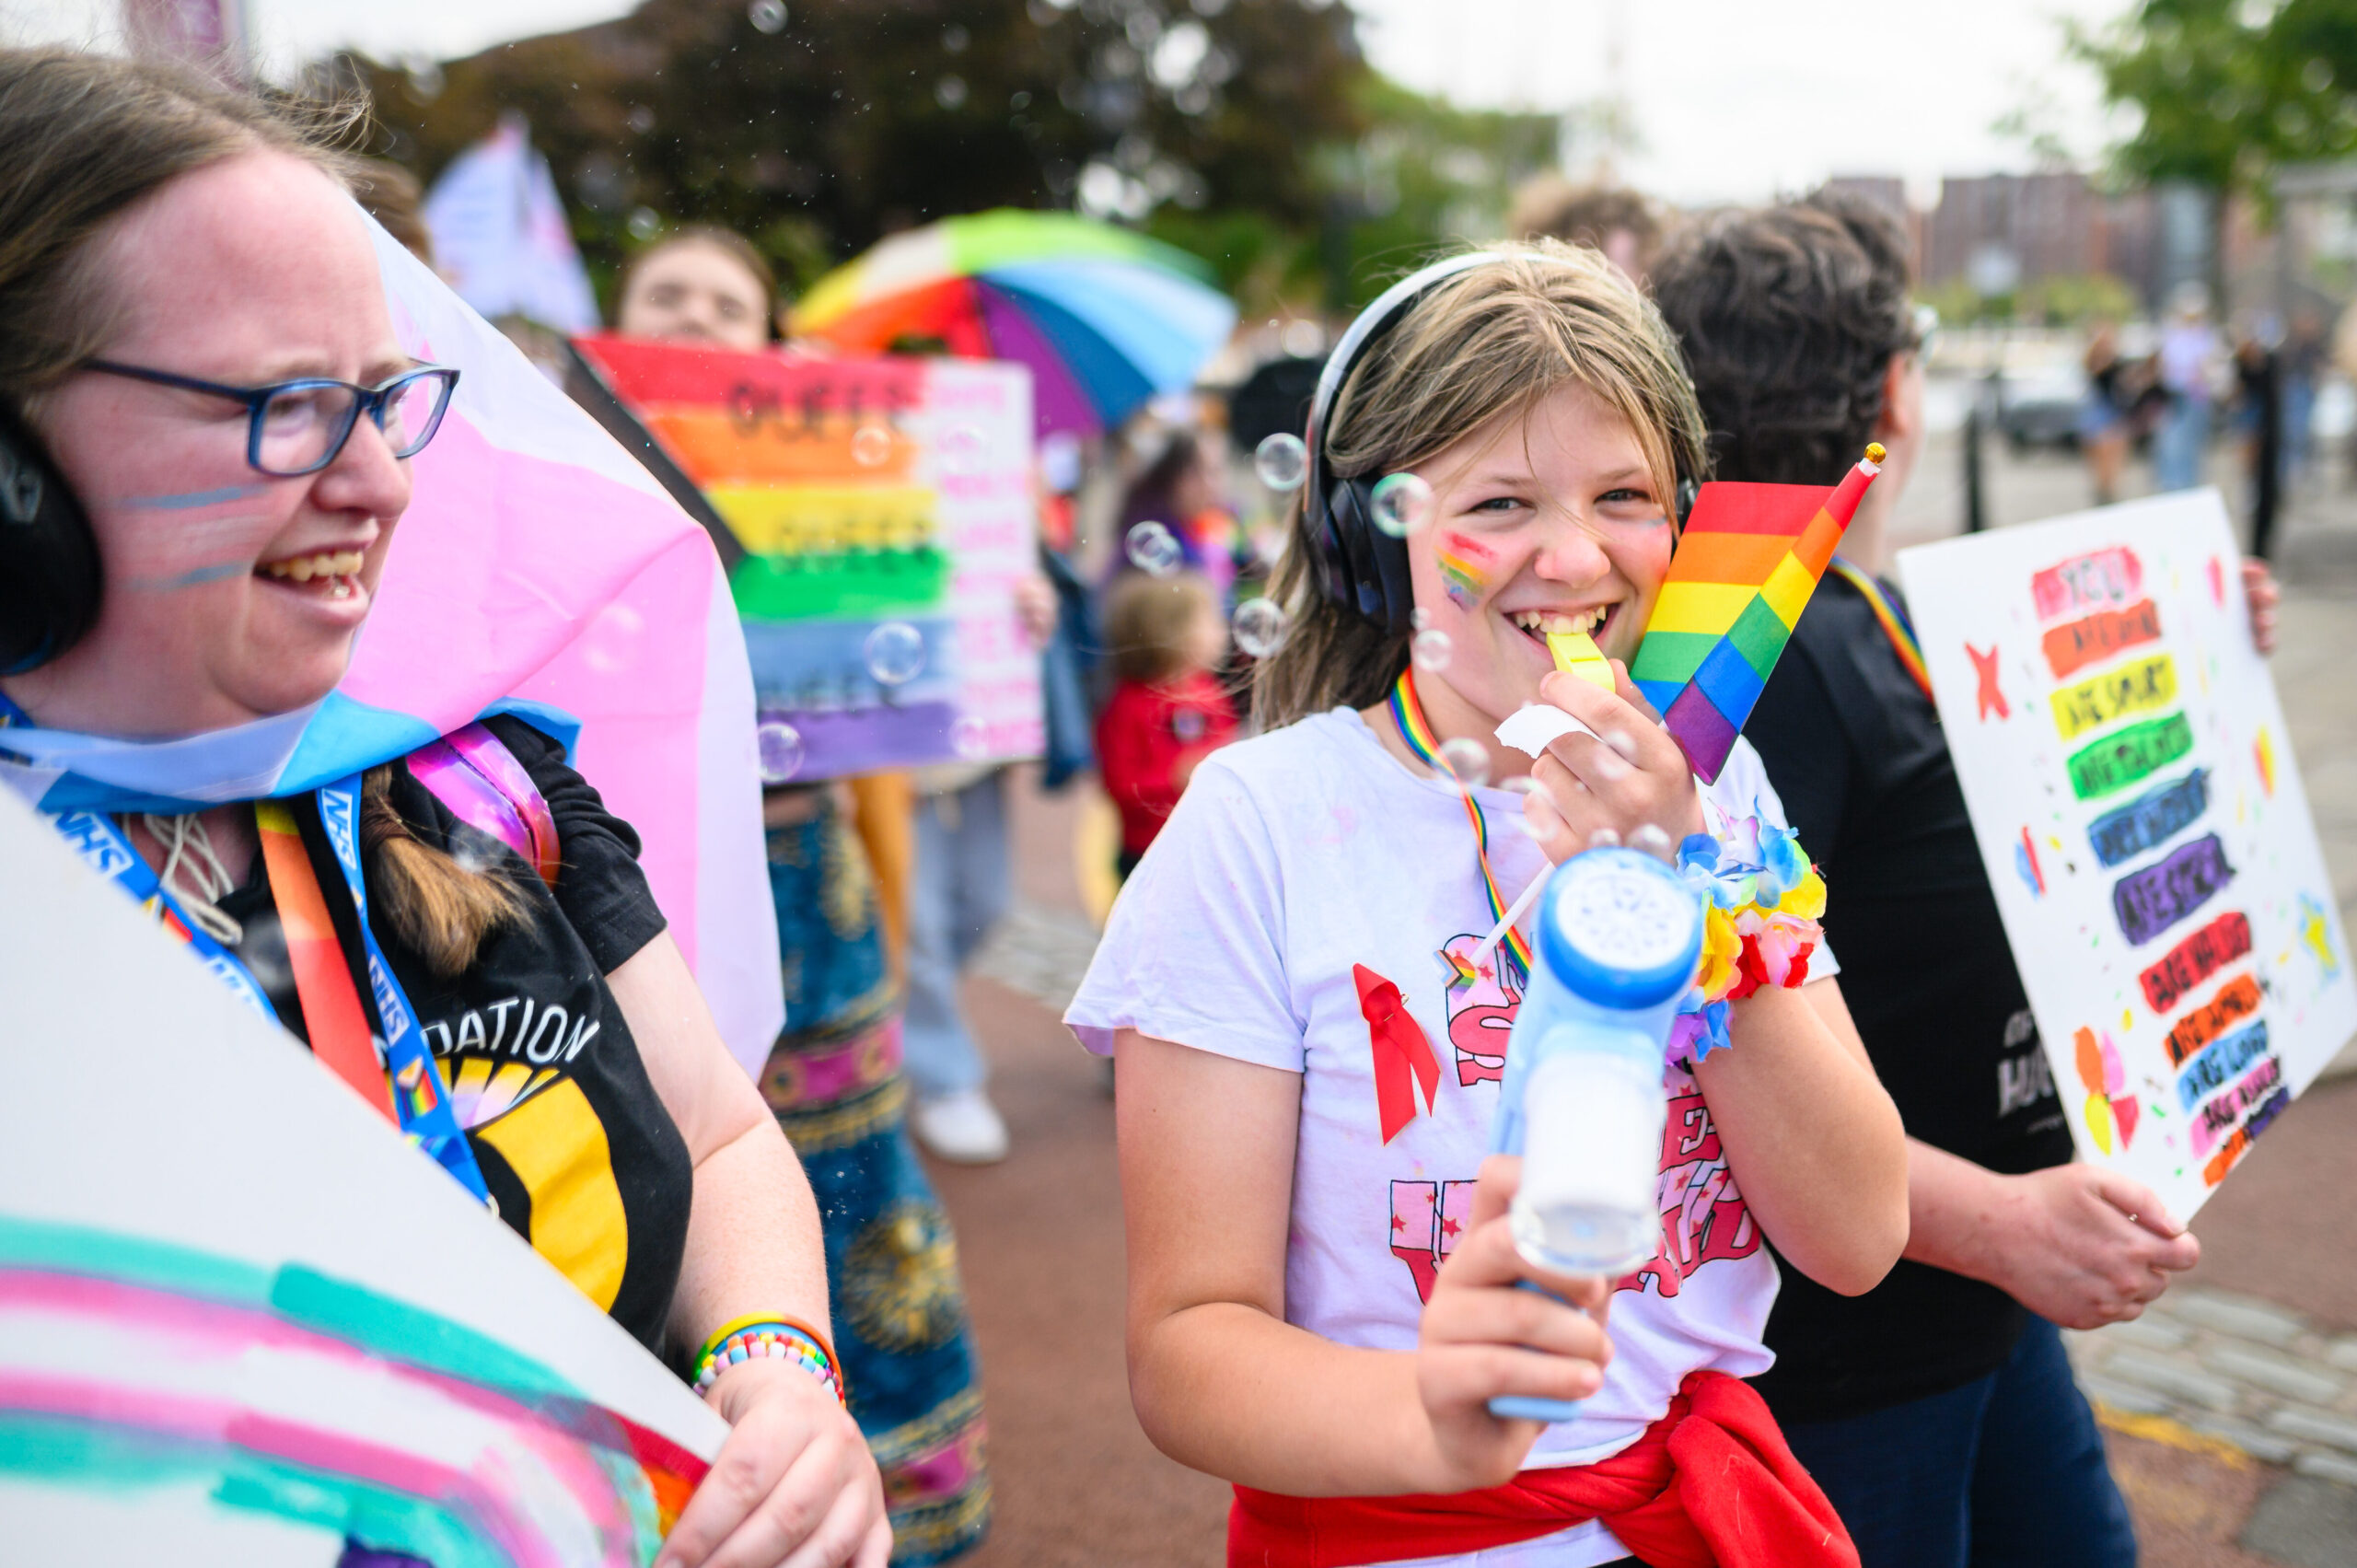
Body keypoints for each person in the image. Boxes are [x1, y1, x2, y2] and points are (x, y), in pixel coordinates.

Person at [0, 49, 885, 1568]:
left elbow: (725, 1132)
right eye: (281, 404)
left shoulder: (478, 780)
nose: (384, 486)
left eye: (384, 399)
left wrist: (776, 1367)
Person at [1067, 241, 1909, 1568]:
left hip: (1695, 1522)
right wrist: (1433, 1417)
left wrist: (1694, 889)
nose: (1574, 557)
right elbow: (1186, 1346)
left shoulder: (1712, 785)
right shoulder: (1257, 825)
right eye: (1501, 502)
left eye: (1624, 492)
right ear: (1370, 529)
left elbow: (1857, 1234)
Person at [1653, 191, 2281, 1568]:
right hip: (1856, 1355)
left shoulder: (1844, 617)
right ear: (1895, 390)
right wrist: (1996, 1221)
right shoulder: (1781, 666)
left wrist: (2195, 636)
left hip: (1972, 1306)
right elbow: (1691, 1035)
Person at [610, 226, 992, 1564]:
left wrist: (991, 623)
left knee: (839, 1158)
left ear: (770, 350)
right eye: (669, 295)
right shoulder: (567, 469)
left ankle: (897, 1497)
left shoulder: (835, 472)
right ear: (619, 319)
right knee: (663, 1160)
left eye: (726, 303)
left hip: (795, 871)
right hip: (622, 874)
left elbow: (930, 672)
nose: (697, 318)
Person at [1094, 569, 1237, 881]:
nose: (1222, 630)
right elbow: (1117, 786)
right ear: (1170, 632)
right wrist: (1173, 778)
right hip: (1147, 851)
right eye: (1209, 621)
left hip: (1206, 844)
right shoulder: (1129, 706)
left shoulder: (1210, 692)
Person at [2154, 284, 2220, 494]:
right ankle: (2173, 487)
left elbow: (2208, 366)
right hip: (2176, 397)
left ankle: (2188, 487)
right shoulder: (2172, 334)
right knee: (2172, 446)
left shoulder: (2205, 335)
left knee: (2190, 449)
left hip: (2195, 398)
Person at [2080, 319, 2131, 506]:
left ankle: (2110, 495)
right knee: (2101, 463)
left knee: (2115, 461)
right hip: (2100, 413)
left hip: (2114, 412)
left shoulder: (2117, 360)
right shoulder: (2095, 360)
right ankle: (2103, 496)